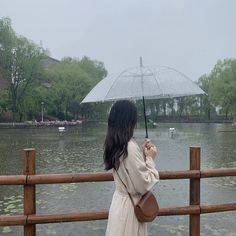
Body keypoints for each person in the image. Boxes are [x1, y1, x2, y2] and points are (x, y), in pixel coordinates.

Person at [104, 100, 159, 236]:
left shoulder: (115, 145)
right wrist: (150, 158)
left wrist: (142, 155)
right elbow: (143, 184)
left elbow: (129, 170)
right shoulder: (129, 147)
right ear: (129, 121)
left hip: (119, 204)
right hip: (131, 208)